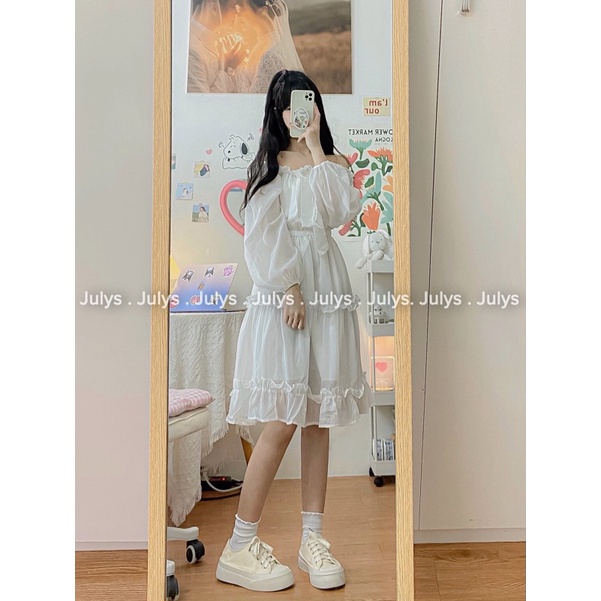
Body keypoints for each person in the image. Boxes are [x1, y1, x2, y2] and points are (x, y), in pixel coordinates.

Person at [216, 69, 374, 592]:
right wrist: (288, 286)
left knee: (316, 419)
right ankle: (239, 543)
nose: (295, 113)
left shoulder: (332, 164)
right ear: (275, 112)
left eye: (303, 103)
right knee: (283, 419)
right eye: (286, 106)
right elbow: (262, 236)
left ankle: (312, 539)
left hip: (327, 289)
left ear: (315, 107)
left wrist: (316, 146)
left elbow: (340, 212)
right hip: (287, 294)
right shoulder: (268, 167)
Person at [187, 0, 303, 93]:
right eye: (234, 6)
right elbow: (203, 104)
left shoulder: (270, 56)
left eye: (241, 6)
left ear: (262, 11)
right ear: (213, 6)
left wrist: (227, 67)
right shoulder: (192, 50)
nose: (237, 13)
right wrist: (227, 68)